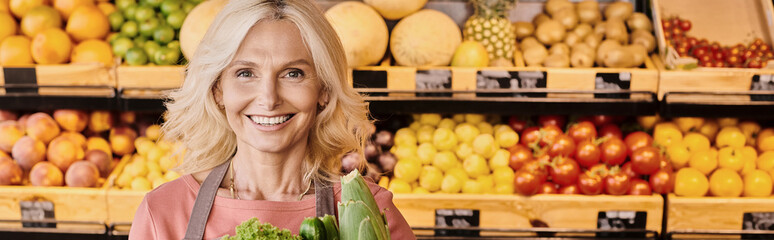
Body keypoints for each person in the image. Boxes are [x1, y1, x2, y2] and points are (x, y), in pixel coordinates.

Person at [128, 0, 414, 239]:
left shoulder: (370, 215)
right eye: (245, 73)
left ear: (324, 90)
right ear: (218, 90)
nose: (269, 98)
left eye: (293, 73)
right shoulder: (163, 213)